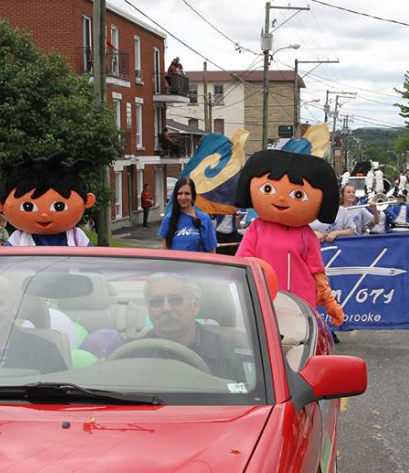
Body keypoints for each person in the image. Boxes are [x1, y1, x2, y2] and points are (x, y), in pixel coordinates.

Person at [234, 150, 344, 325]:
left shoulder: (307, 235)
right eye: (268, 189)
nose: (281, 198)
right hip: (263, 301)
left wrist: (330, 303)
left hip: (300, 304)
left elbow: (317, 273)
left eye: (298, 195)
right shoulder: (257, 228)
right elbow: (243, 262)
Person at [140, 273, 244, 379]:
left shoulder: (223, 351)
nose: (166, 308)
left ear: (195, 305)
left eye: (176, 300)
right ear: (148, 310)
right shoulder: (136, 352)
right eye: (156, 302)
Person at [0, 152, 96, 246]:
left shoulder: (77, 236)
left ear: (87, 202)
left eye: (59, 206)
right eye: (28, 206)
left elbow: (90, 261)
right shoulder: (18, 238)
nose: (44, 215)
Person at [158, 176, 217, 252]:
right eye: (180, 193)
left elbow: (211, 251)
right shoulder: (168, 219)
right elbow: (164, 251)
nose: (183, 197)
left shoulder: (204, 219)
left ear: (193, 195)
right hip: (174, 264)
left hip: (198, 263)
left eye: (187, 193)